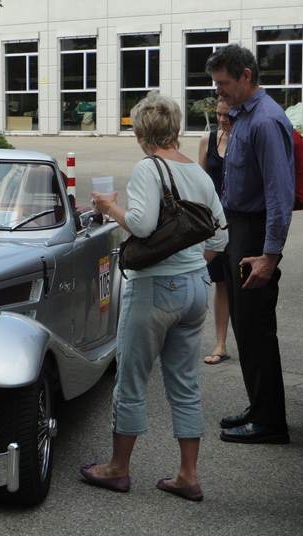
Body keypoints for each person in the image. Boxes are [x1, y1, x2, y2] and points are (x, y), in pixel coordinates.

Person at [80, 93, 228, 502]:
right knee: (183, 382)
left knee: (131, 378)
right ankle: (187, 475)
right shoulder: (198, 174)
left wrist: (111, 207)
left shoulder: (149, 167)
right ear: (175, 129)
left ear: (140, 131)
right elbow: (220, 233)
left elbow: (142, 227)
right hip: (197, 287)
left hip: (156, 288)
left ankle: (117, 468)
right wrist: (193, 262)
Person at [205, 44, 295, 444]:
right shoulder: (243, 116)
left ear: (245, 76)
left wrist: (270, 256)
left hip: (255, 234)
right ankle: (260, 408)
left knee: (257, 328)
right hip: (237, 230)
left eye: (224, 83)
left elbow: (280, 194)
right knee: (245, 325)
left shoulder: (265, 121)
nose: (219, 91)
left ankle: (270, 422)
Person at [198, 97, 233, 365]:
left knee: (240, 284)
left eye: (228, 115)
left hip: (240, 223)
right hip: (215, 224)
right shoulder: (207, 141)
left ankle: (246, 338)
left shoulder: (244, 141)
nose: (223, 120)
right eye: (220, 115)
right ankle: (220, 344)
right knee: (220, 283)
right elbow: (200, 184)